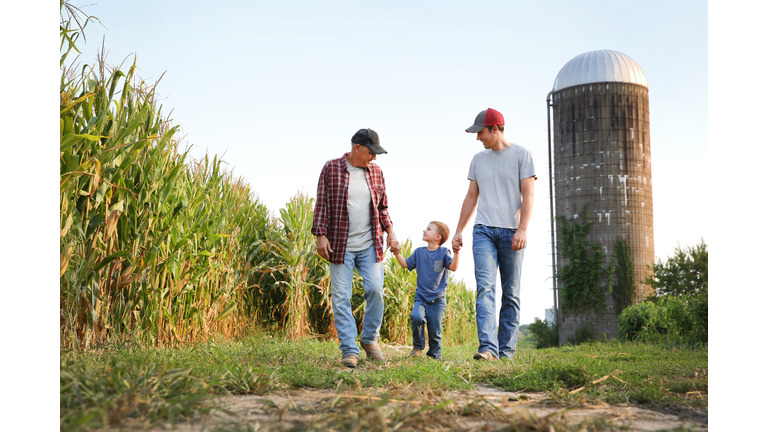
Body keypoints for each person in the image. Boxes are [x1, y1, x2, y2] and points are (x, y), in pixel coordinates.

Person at [452, 108, 536, 361]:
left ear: (495, 129)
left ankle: (506, 354)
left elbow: (528, 195)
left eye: (481, 133)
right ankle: (488, 349)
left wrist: (522, 228)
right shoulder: (478, 159)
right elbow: (471, 197)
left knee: (511, 293)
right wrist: (458, 230)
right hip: (483, 232)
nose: (478, 138)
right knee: (485, 288)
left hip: (512, 232)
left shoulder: (522, 155)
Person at [312, 128, 400, 368]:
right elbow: (322, 204)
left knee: (376, 291)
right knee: (341, 298)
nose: (375, 158)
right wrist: (320, 235)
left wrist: (391, 233)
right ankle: (349, 350)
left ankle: (369, 339)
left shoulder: (376, 172)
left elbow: (383, 208)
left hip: (370, 244)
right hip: (340, 245)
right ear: (357, 148)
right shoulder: (331, 168)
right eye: (372, 153)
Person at [393, 221, 460, 361]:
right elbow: (405, 264)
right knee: (416, 317)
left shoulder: (443, 252)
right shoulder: (419, 252)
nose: (424, 231)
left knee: (434, 329)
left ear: (438, 237)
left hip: (438, 300)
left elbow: (453, 267)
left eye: (428, 229)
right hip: (421, 297)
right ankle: (417, 347)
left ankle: (435, 354)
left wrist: (456, 252)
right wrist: (397, 253)